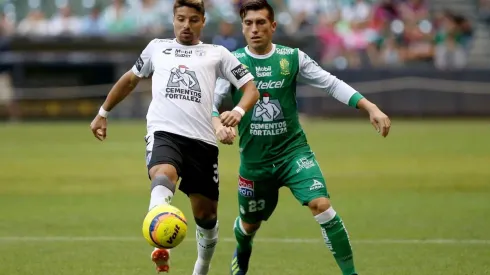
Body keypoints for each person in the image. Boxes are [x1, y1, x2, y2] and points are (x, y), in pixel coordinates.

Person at [212, 1, 391, 275]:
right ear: (242, 27)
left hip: (293, 153)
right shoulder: (232, 62)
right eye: (249, 23)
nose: (255, 29)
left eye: (261, 23)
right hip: (255, 161)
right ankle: (243, 249)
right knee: (249, 225)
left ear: (273, 26)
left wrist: (370, 107)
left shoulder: (292, 58)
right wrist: (219, 126)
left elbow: (330, 82)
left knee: (322, 206)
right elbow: (211, 102)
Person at [89, 0, 260, 274]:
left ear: (203, 21)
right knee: (163, 174)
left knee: (207, 217)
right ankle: (160, 240)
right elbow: (130, 79)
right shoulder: (157, 48)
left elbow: (251, 89)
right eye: (181, 19)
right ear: (173, 19)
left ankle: (200, 269)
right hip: (164, 132)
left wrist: (238, 113)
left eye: (193, 20)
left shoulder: (217, 53)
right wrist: (103, 112)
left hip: (203, 143)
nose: (186, 26)